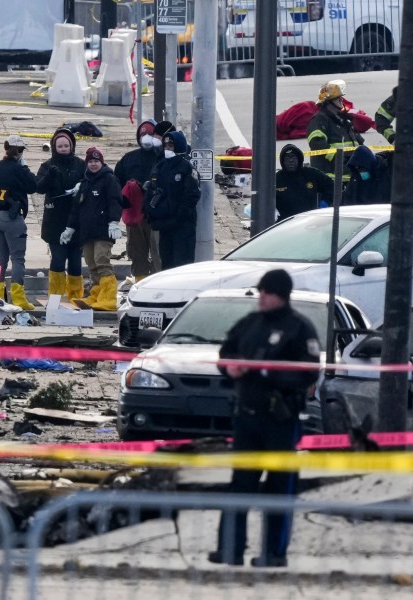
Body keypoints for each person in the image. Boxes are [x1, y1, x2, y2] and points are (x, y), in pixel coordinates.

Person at [210, 269, 321, 568]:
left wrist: (264, 371)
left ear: (280, 295)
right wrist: (229, 367)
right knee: (240, 485)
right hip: (248, 418)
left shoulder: (299, 328)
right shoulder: (251, 323)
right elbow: (227, 350)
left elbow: (309, 371)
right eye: (260, 292)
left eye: (267, 292)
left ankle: (274, 553)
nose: (261, 297)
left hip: (280, 420)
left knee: (279, 487)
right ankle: (230, 548)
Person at [60, 147, 122, 311]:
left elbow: (115, 201)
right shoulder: (85, 182)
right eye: (90, 162)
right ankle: (96, 294)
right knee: (92, 263)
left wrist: (114, 221)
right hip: (87, 232)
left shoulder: (109, 179)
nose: (93, 164)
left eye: (96, 161)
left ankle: (109, 297)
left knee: (102, 261)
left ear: (101, 162)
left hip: (103, 231)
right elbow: (76, 208)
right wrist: (70, 228)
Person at [0, 134, 37, 310]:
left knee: (0, 259)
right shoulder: (18, 169)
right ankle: (18, 298)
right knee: (17, 259)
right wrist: (24, 167)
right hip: (11, 217)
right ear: (19, 152)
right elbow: (33, 185)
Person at [36, 128, 85, 300]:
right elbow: (39, 188)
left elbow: (91, 181)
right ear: (54, 147)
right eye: (60, 146)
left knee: (75, 261)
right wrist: (50, 176)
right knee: (58, 259)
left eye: (66, 146)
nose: (63, 149)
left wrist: (81, 187)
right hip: (55, 222)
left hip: (76, 221)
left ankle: (75, 297)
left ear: (71, 146)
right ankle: (55, 297)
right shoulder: (47, 166)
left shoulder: (80, 164)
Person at [143, 131, 200, 270]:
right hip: (165, 225)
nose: (168, 148)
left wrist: (178, 217)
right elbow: (153, 189)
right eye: (166, 145)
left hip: (182, 226)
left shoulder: (187, 168)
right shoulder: (161, 166)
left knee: (182, 265)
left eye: (171, 145)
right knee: (167, 263)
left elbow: (191, 196)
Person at [114, 120, 162, 281]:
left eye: (150, 134)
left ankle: (158, 285)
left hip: (157, 216)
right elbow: (117, 185)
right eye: (143, 134)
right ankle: (140, 283)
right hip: (135, 216)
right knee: (137, 251)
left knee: (158, 254)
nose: (146, 138)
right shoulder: (128, 159)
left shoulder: (163, 158)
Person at [307, 80, 364, 181]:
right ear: (328, 102)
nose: (342, 101)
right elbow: (316, 143)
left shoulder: (343, 120)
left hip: (350, 175)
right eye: (338, 99)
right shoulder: (319, 119)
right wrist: (337, 158)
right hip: (332, 177)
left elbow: (358, 142)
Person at [275, 144, 334, 220]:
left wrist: (325, 202)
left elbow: (331, 185)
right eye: (287, 158)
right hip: (286, 223)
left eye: (293, 157)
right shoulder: (277, 179)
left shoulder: (311, 173)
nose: (291, 160)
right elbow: (265, 199)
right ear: (282, 161)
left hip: (310, 220)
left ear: (299, 159)